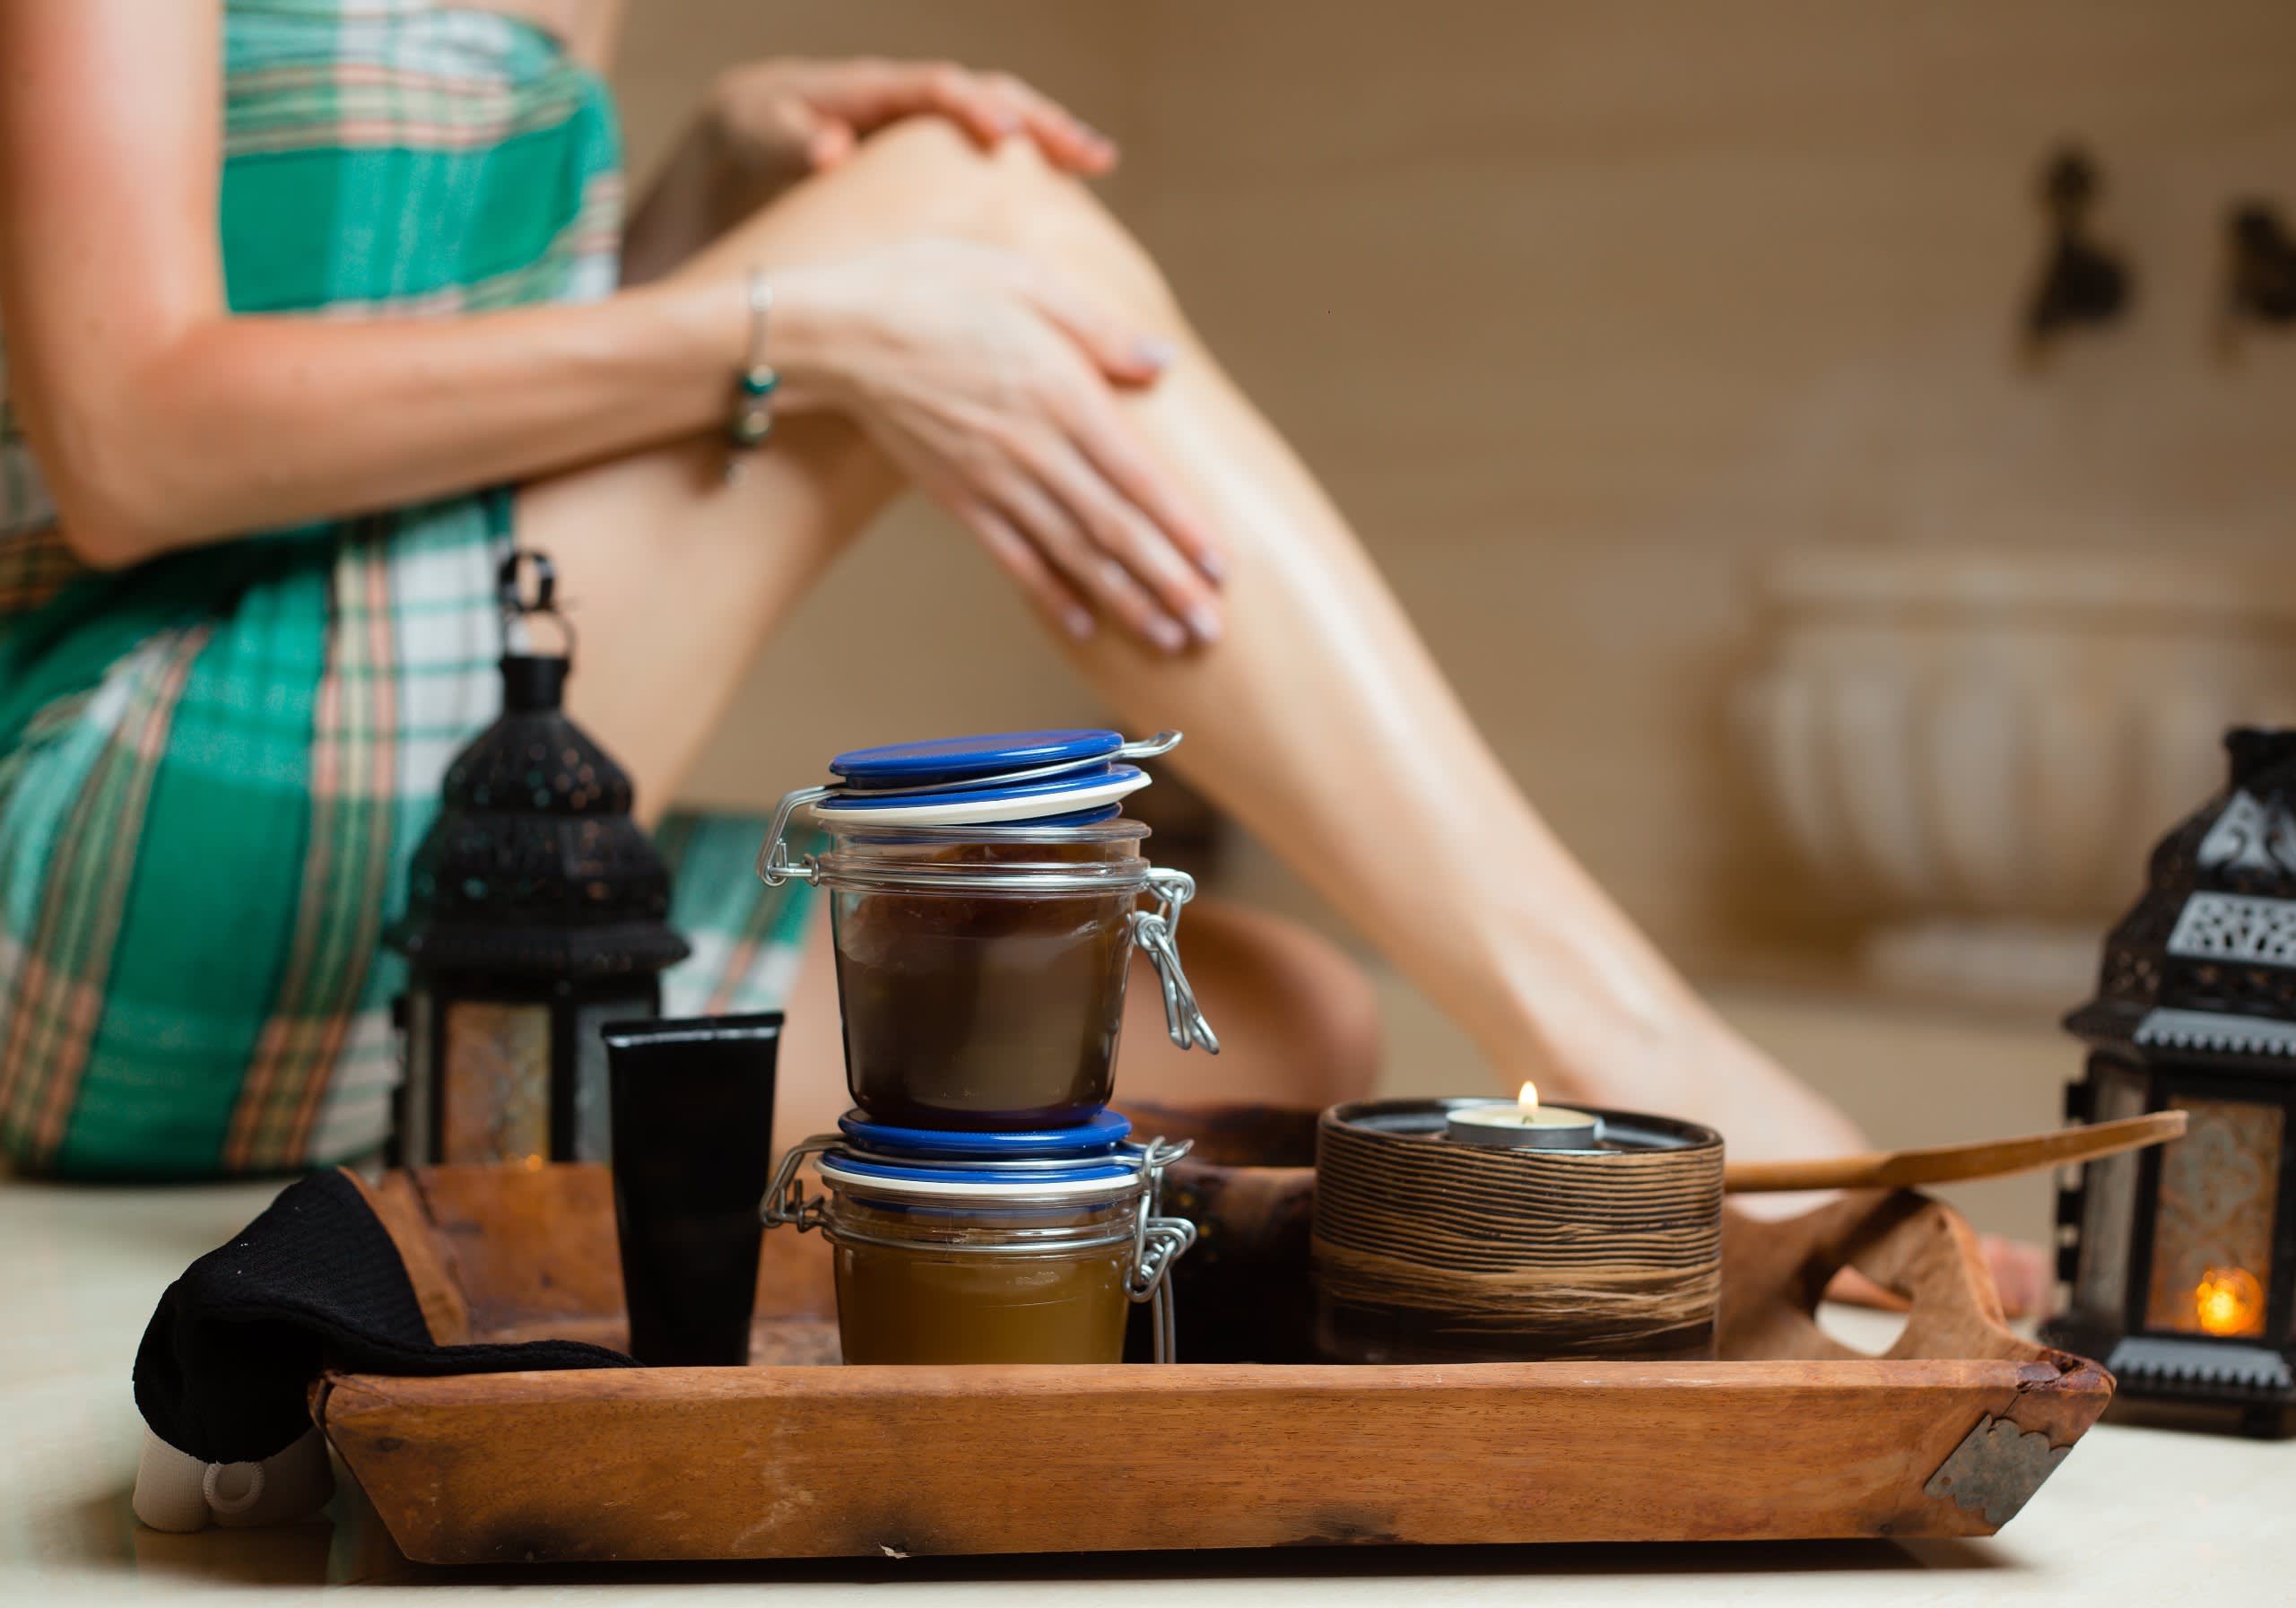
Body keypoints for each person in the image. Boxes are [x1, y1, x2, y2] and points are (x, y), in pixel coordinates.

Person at [0, 0, 2034, 1301]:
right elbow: (130, 437)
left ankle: (498, 1180)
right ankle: (1631, 1054)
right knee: (967, 216)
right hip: (125, 817)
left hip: (433, 926)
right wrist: (796, 313)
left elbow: (438, 403)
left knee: (1257, 1019)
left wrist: (712, 197)